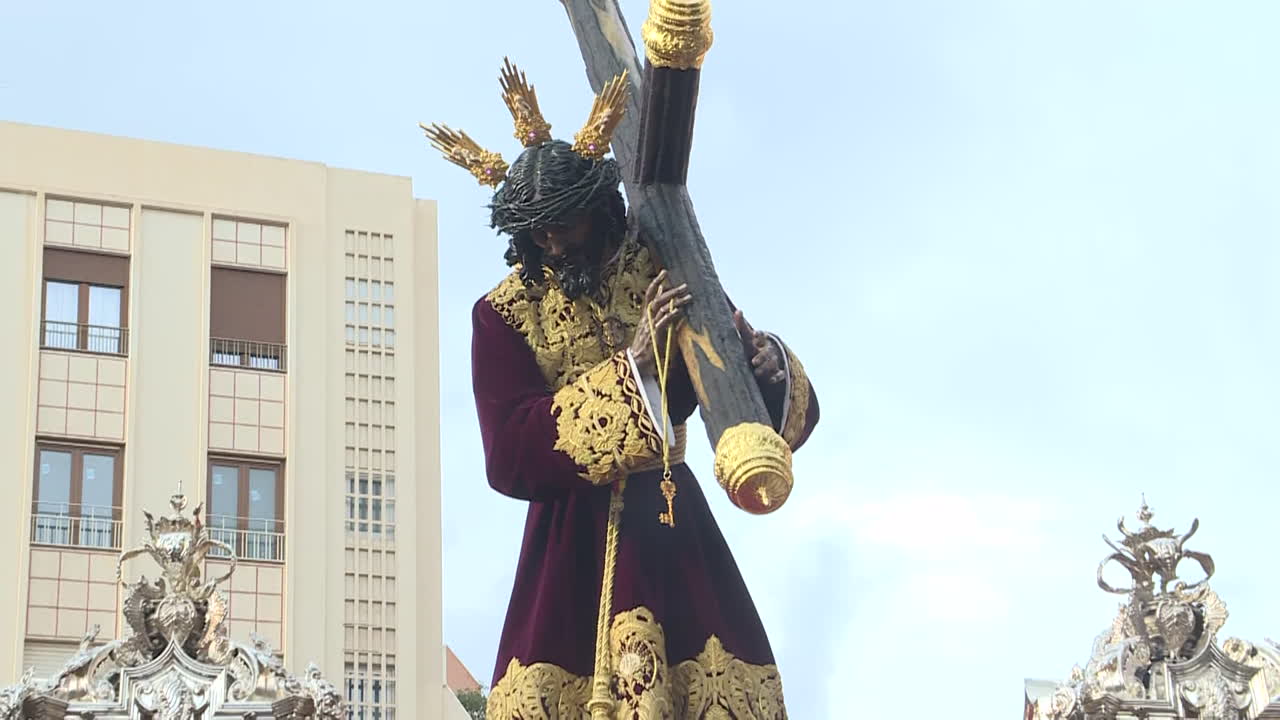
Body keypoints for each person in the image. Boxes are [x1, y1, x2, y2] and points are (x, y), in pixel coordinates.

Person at [423, 60, 818, 720]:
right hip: (568, 546)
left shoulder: (662, 265)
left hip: (668, 517)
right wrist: (632, 369)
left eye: (565, 223)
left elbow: (727, 368)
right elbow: (509, 450)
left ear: (598, 208)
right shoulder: (503, 315)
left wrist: (764, 364)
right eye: (538, 231)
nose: (553, 243)